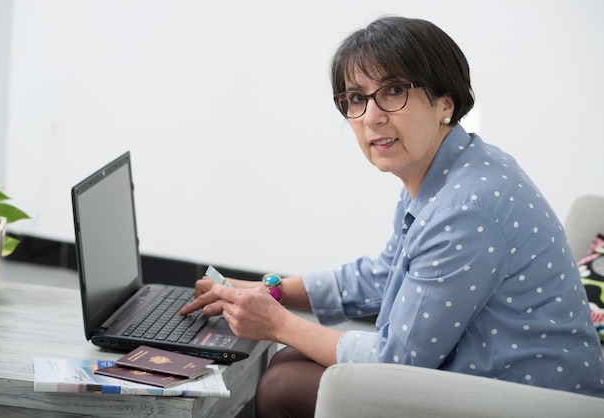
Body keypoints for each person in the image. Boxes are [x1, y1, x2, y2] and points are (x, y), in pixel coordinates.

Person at [180, 15, 604, 416]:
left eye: (394, 91)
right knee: (290, 362)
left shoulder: (464, 208)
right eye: (356, 99)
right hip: (503, 377)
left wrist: (276, 324)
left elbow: (395, 360)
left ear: (445, 103)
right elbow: (384, 275)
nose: (372, 116)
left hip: (532, 401)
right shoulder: (452, 167)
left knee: (283, 384)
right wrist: (271, 291)